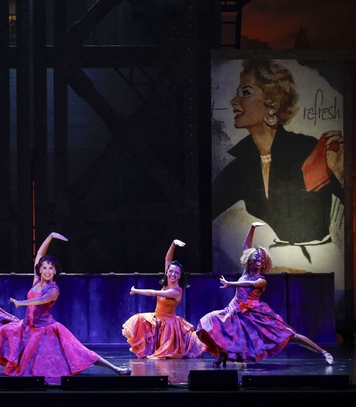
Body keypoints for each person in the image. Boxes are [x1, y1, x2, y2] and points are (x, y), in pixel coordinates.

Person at [212, 59, 344, 277]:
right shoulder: (242, 165)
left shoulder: (309, 149)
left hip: (320, 265)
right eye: (237, 93)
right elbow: (207, 209)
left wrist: (340, 171)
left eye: (246, 93)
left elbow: (347, 198)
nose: (234, 101)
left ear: (271, 103)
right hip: (274, 267)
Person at [0, 232, 131, 377]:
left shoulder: (53, 289)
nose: (47, 271)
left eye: (50, 268)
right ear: (40, 269)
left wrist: (21, 303)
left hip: (45, 329)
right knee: (4, 332)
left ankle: (116, 368)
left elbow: (41, 300)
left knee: (80, 351)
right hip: (27, 327)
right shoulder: (36, 281)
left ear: (54, 271)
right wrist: (50, 236)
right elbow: (39, 254)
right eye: (44, 268)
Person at [197, 222, 334, 367]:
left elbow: (249, 285)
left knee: (290, 335)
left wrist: (231, 284)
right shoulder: (246, 271)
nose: (259, 260)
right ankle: (222, 355)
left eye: (262, 258)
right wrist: (252, 227)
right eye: (256, 257)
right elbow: (246, 247)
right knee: (214, 322)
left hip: (256, 313)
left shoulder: (261, 280)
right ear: (250, 259)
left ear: (264, 263)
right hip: (235, 311)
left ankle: (324, 352)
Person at [122, 239, 206, 359]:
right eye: (171, 271)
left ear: (179, 275)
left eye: (176, 273)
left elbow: (153, 293)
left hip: (168, 324)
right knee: (138, 319)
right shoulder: (168, 281)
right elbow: (167, 259)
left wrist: (136, 291)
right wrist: (173, 244)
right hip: (157, 318)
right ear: (167, 272)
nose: (173, 274)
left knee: (164, 352)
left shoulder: (176, 291)